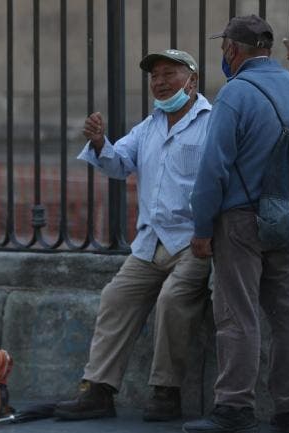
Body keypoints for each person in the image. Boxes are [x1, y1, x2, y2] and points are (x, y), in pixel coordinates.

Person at [52, 49, 212, 422]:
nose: (159, 82)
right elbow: (118, 163)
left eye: (168, 74)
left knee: (173, 300)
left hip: (193, 240)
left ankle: (165, 391)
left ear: (193, 79)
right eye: (154, 76)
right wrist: (98, 142)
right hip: (151, 240)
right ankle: (98, 389)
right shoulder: (150, 126)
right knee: (115, 297)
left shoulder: (212, 122)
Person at [184, 15, 289, 433]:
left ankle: (234, 408)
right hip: (286, 217)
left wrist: (202, 228)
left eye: (223, 47)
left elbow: (213, 170)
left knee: (237, 315)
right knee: (285, 312)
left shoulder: (235, 93)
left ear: (232, 49)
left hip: (241, 220)